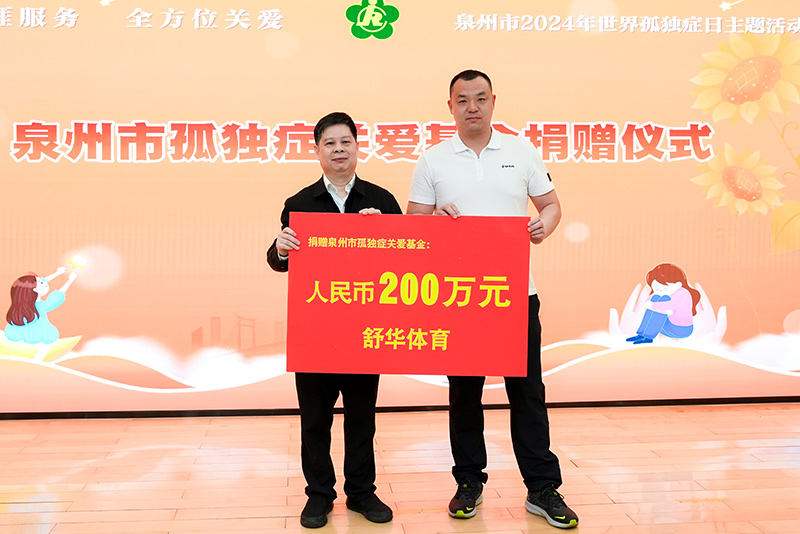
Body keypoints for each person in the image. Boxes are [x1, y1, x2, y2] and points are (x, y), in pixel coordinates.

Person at [407, 70, 578, 529]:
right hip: (459, 297)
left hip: (515, 294)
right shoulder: (433, 159)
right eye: (463, 100)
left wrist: (545, 225)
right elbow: (413, 222)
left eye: (480, 98)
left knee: (527, 392)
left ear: (493, 101)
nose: (472, 107)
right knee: (465, 393)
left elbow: (551, 205)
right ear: (450, 106)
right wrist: (434, 220)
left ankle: (542, 488)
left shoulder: (521, 151)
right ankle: (468, 481)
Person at [266, 111, 402, 529]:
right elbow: (279, 261)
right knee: (315, 419)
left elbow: (407, 261)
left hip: (365, 329)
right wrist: (281, 248)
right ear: (318, 150)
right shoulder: (299, 204)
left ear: (357, 147)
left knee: (362, 418)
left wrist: (386, 235)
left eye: (346, 142)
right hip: (315, 330)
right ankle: (319, 494)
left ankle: (361, 492)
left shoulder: (382, 201)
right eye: (330, 143)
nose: (339, 150)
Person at [5, 267, 78, 360]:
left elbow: (43, 281)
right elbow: (58, 295)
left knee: (37, 348)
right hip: (36, 332)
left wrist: (57, 273)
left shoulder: (22, 306)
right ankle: (35, 362)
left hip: (22, 333)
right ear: (34, 290)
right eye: (41, 283)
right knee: (44, 349)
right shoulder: (41, 306)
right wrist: (70, 280)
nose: (45, 283)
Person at [626, 263, 701, 344]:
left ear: (678, 285)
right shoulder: (665, 292)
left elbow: (670, 305)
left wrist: (653, 306)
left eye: (665, 288)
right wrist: (651, 304)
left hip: (681, 329)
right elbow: (650, 299)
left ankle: (648, 337)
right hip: (669, 325)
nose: (660, 290)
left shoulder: (682, 293)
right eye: (656, 288)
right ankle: (642, 334)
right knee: (656, 298)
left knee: (663, 300)